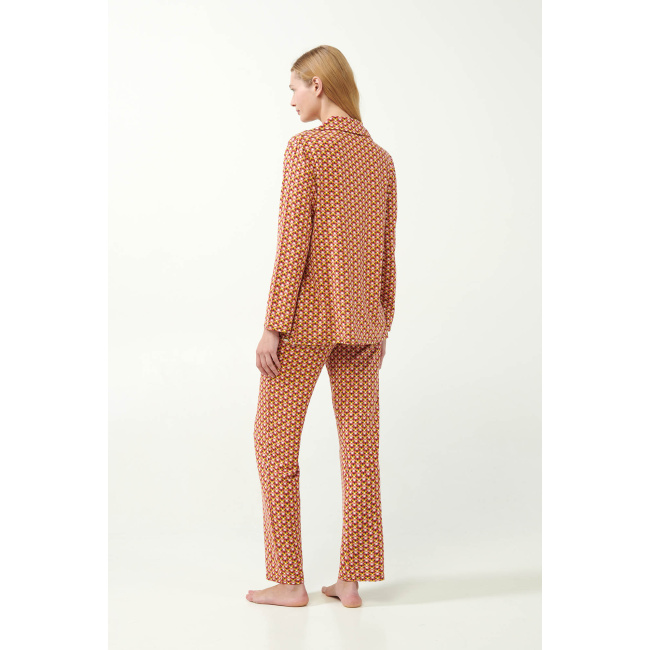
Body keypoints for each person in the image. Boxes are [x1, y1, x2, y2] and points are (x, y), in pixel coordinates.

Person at [246, 45, 397, 608]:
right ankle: (350, 582)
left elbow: (293, 244)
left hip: (305, 320)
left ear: (318, 85)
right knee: (360, 448)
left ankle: (290, 581)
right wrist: (382, 324)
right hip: (364, 323)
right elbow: (386, 254)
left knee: (273, 440)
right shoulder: (380, 160)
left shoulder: (305, 149)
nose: (291, 100)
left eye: (294, 88)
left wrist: (273, 325)